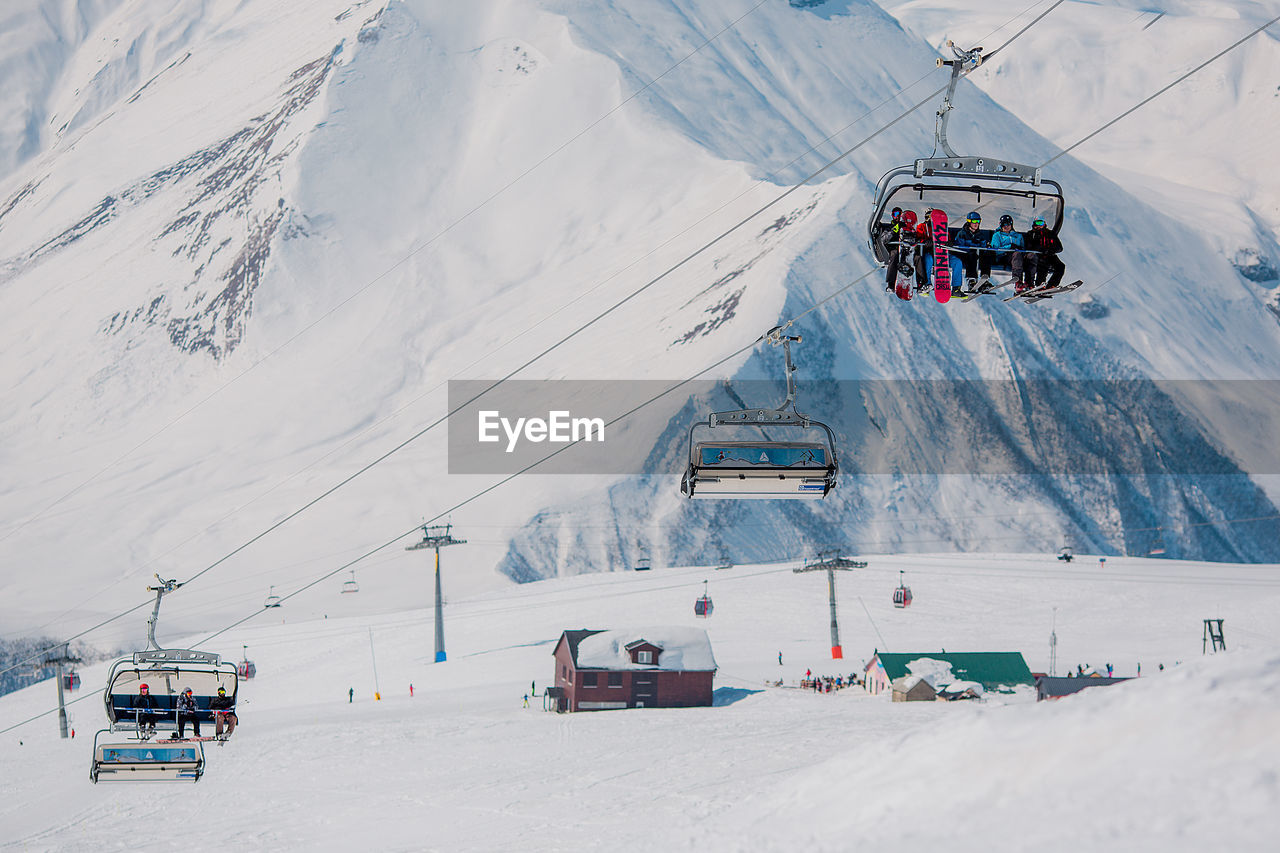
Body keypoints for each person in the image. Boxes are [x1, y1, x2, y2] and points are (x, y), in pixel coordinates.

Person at [1023, 216, 1065, 291]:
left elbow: (1059, 248)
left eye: (1041, 223)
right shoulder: (1031, 234)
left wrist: (1051, 250)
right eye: (1037, 223)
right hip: (1037, 255)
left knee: (1060, 266)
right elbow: (1028, 246)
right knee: (1043, 264)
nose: (1039, 225)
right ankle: (1040, 285)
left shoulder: (1050, 234)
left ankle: (1052, 285)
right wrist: (1040, 249)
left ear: (1044, 223)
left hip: (1050, 255)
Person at [953, 211, 991, 291]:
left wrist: (985, 248)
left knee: (986, 256)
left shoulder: (980, 235)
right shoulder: (962, 233)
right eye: (974, 221)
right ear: (969, 222)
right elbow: (960, 247)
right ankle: (971, 279)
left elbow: (983, 247)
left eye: (978, 221)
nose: (976, 224)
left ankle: (985, 280)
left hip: (976, 254)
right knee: (972, 255)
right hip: (965, 255)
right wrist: (972, 247)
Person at [885, 210, 922, 291]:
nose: (898, 216)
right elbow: (885, 239)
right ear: (892, 216)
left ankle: (921, 284)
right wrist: (897, 227)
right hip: (896, 250)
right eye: (896, 214)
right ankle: (891, 284)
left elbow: (916, 238)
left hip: (908, 250)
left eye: (900, 214)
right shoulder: (891, 227)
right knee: (894, 255)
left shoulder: (909, 228)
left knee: (918, 258)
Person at [988, 213, 1027, 289]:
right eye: (1004, 224)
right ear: (1001, 225)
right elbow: (996, 251)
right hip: (1003, 257)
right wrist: (1010, 247)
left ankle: (1029, 283)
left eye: (1008, 224)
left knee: (1030, 257)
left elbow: (1023, 248)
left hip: (1017, 258)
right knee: (1017, 255)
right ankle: (1018, 282)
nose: (1006, 226)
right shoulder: (997, 235)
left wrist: (1021, 249)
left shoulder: (1018, 236)